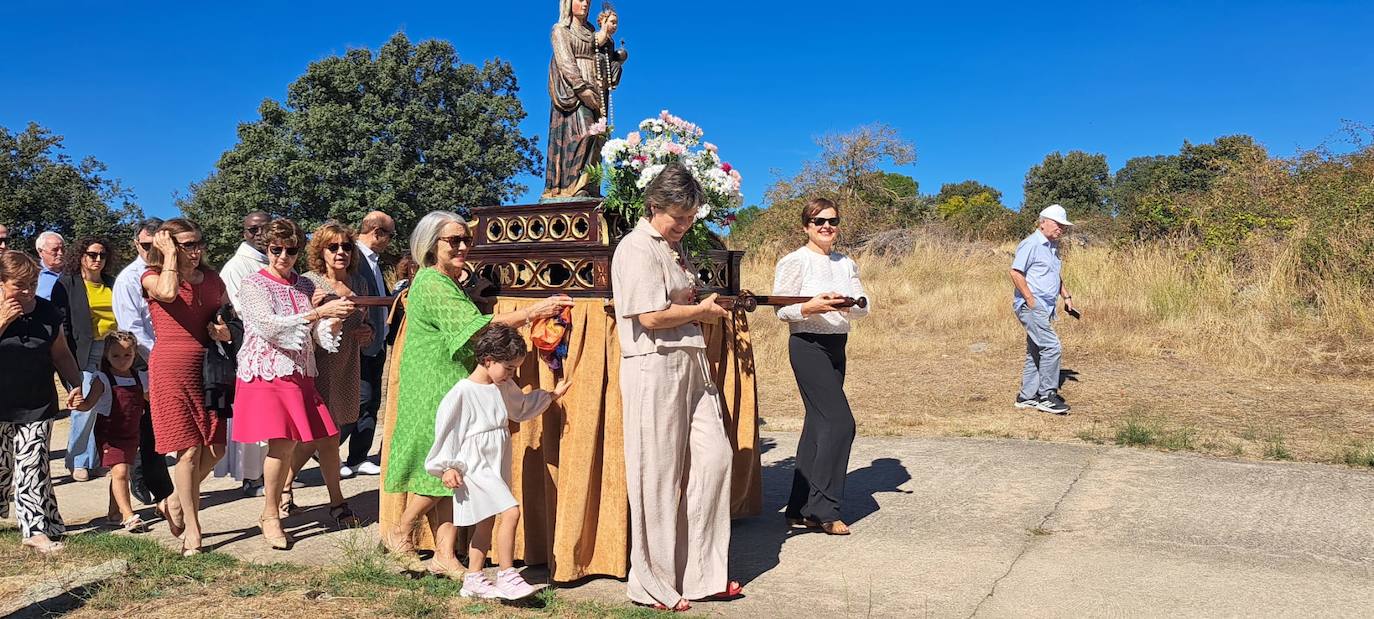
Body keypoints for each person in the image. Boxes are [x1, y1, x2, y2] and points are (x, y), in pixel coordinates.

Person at [380, 210, 572, 575]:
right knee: (439, 465)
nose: (463, 246)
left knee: (454, 467)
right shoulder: (433, 283)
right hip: (434, 382)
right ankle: (401, 531)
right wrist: (534, 311)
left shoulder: (445, 282)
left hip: (447, 377)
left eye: (466, 239)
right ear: (430, 245)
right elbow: (475, 328)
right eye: (453, 241)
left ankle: (444, 553)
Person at [609, 162, 741, 611]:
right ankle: (652, 583)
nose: (684, 224)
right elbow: (648, 317)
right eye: (677, 216)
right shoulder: (635, 247)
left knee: (715, 459)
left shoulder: (671, 247)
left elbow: (673, 303)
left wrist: (696, 305)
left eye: (690, 216)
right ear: (654, 205)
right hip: (653, 366)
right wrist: (700, 312)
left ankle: (701, 573)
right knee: (657, 475)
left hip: (689, 363)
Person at [232, 218, 358, 549]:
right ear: (267, 249)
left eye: (291, 250)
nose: (284, 256)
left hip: (300, 372)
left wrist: (331, 321)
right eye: (277, 250)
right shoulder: (253, 284)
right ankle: (270, 515)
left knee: (327, 434)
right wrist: (320, 313)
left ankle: (327, 503)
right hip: (268, 372)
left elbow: (309, 334)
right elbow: (268, 326)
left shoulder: (303, 286)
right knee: (282, 444)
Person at [425, 324, 570, 598]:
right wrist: (447, 466)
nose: (512, 373)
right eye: (508, 367)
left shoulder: (502, 386)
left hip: (496, 459)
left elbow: (521, 407)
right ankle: (507, 574)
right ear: (488, 360)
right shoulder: (462, 392)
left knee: (486, 520)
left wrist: (550, 396)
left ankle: (474, 578)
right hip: (474, 463)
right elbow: (447, 431)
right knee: (511, 511)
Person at [772, 198, 871, 536]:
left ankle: (799, 508)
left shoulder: (846, 263)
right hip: (807, 346)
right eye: (819, 222)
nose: (827, 226)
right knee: (841, 423)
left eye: (832, 220)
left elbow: (863, 307)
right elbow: (780, 309)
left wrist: (848, 306)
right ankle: (824, 510)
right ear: (806, 227)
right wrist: (810, 307)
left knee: (818, 425)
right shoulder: (794, 261)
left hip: (836, 346)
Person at [142, 218, 231, 556]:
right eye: (188, 245)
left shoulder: (211, 278)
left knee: (216, 448)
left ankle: (175, 502)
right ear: (170, 245)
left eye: (199, 244)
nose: (197, 251)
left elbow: (225, 317)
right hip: (171, 366)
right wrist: (166, 257)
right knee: (189, 450)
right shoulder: (151, 276)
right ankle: (193, 531)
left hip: (208, 367)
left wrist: (225, 331)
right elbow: (166, 293)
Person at [0, 251, 84, 554]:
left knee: (32, 465)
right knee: (2, 470)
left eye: (32, 284)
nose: (27, 291)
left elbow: (60, 353)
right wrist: (4, 320)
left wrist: (76, 384)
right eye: (19, 285)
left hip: (37, 402)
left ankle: (35, 530)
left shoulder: (48, 312)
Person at [297, 222, 371, 505]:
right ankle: (287, 485)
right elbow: (300, 326)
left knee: (335, 429)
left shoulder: (359, 283)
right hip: (319, 362)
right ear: (321, 250)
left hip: (349, 361)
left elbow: (363, 323)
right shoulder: (308, 281)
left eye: (347, 246)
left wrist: (367, 332)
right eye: (333, 246)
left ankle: (316, 494)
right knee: (317, 432)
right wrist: (317, 311)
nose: (341, 252)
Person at [112, 218, 176, 522]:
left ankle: (156, 485)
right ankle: (157, 489)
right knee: (150, 431)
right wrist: (160, 358)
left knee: (161, 430)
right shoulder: (129, 279)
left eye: (158, 245)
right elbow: (131, 328)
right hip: (146, 362)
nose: (152, 250)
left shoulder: (173, 272)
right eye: (146, 245)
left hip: (173, 359)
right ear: (137, 245)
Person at [544, 0, 625, 198]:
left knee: (598, 137)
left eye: (588, 1)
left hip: (596, 88)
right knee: (583, 133)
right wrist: (581, 88)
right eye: (579, 0)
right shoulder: (561, 30)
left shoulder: (590, 31)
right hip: (573, 93)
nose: (585, 4)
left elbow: (602, 49)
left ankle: (588, 185)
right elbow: (565, 62)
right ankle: (570, 185)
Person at [72, 331, 150, 532]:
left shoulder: (140, 377)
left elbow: (152, 400)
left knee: (120, 474)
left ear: (135, 355)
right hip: (110, 435)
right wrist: (77, 405)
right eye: (116, 356)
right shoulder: (102, 379)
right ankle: (129, 516)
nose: (122, 360)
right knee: (121, 472)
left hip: (132, 434)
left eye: (127, 355)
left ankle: (114, 513)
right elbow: (88, 404)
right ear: (107, 355)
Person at [219, 211, 272, 495]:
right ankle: (252, 477)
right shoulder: (236, 267)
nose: (260, 234)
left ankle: (271, 473)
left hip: (276, 351)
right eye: (253, 230)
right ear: (244, 233)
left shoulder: (275, 259)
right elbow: (240, 312)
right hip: (249, 350)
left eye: (265, 228)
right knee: (254, 417)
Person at [59, 236, 119, 482]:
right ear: (81, 257)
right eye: (92, 254)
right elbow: (62, 322)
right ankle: (78, 460)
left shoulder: (112, 283)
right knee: (84, 404)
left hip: (112, 349)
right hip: (82, 351)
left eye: (102, 255)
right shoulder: (67, 284)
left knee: (104, 405)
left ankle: (94, 459)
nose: (97, 259)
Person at [1010, 204, 1078, 415]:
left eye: (1063, 226)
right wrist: (1030, 300)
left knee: (1036, 351)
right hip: (1033, 306)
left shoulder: (1052, 247)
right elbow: (1015, 272)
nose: (1061, 229)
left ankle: (1026, 396)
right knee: (1052, 346)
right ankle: (1047, 395)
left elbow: (1053, 276)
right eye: (1058, 224)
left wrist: (1066, 297)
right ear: (1043, 222)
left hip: (1045, 307)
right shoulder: (1031, 244)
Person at [349, 210, 394, 477]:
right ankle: (321, 449)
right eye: (390, 235)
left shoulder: (374, 261)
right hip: (358, 341)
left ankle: (358, 457)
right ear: (377, 232)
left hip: (376, 342)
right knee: (358, 400)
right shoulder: (353, 257)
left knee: (371, 400)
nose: (390, 241)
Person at [34, 231, 65, 301]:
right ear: (40, 252)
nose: (60, 253)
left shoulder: (73, 272)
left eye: (62, 249)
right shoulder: (33, 274)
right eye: (55, 250)